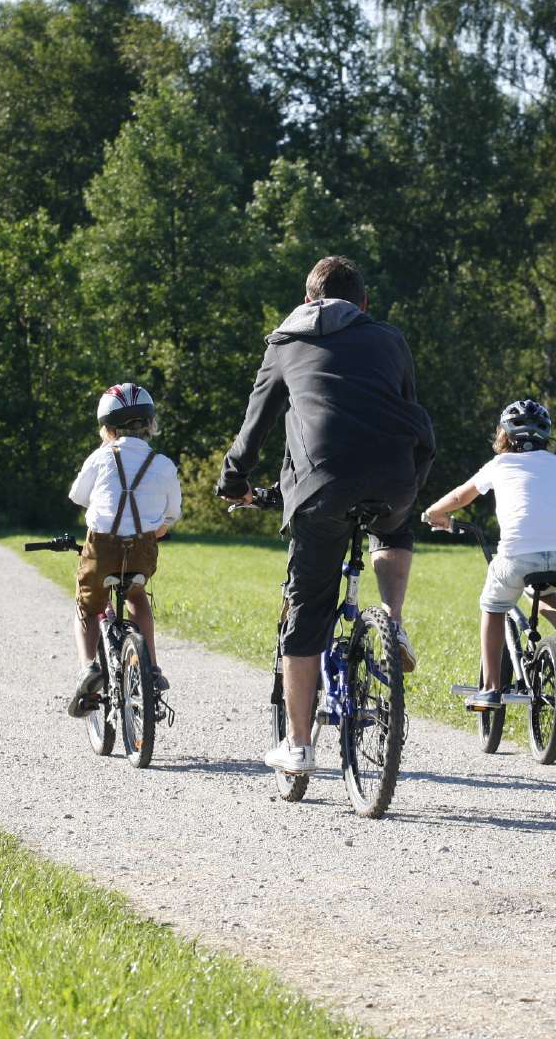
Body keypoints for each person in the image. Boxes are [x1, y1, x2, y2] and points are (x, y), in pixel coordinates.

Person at [217, 256, 436, 775]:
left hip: (321, 487)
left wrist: (234, 480)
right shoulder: (390, 339)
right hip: (397, 476)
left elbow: (255, 425)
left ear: (307, 299)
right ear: (363, 303)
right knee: (393, 527)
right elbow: (407, 406)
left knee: (308, 610)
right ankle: (392, 623)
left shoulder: (285, 343)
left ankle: (298, 744)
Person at [421, 399, 556, 709]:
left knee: (493, 606)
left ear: (504, 434)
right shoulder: (555, 464)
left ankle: (489, 688)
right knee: (544, 590)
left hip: (517, 555)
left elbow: (461, 496)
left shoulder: (499, 465)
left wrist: (434, 511)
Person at [65, 383, 182, 718]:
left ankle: (89, 668)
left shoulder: (100, 457)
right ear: (150, 423)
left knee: (87, 605)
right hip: (143, 549)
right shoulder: (163, 464)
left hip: (102, 548)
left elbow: (78, 496)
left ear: (108, 427)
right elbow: (171, 514)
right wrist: (155, 526)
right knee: (137, 596)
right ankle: (152, 669)